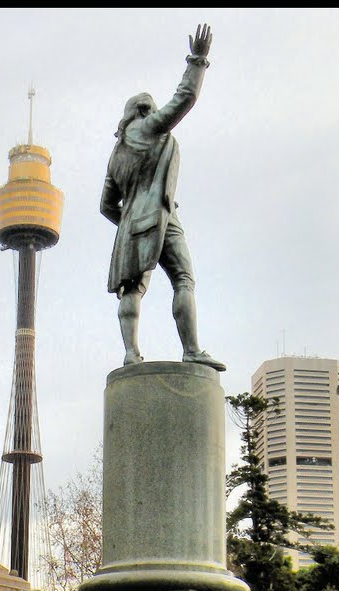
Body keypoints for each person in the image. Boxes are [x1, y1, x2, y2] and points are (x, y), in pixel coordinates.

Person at [100, 23, 226, 372]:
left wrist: (128, 219)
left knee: (132, 290)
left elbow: (105, 205)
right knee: (183, 278)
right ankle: (191, 349)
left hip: (130, 226)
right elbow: (184, 98)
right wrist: (197, 60)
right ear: (143, 112)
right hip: (161, 216)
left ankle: (130, 353)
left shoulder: (116, 155)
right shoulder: (148, 128)